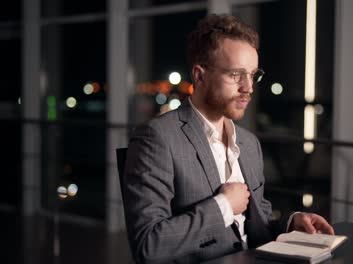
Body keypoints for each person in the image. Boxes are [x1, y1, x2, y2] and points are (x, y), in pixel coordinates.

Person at [123, 13, 334, 264]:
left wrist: (291, 223)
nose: (248, 87)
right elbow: (148, 245)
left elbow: (256, 226)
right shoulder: (157, 138)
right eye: (236, 75)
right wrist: (222, 206)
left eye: (253, 74)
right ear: (200, 76)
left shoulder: (248, 143)